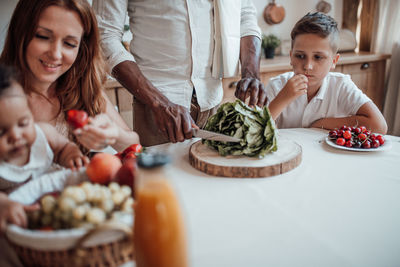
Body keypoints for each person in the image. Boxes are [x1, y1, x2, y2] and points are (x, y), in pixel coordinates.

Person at [92, 0, 267, 146]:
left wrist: (251, 74)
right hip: (157, 113)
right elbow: (104, 37)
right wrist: (160, 103)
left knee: (215, 183)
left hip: (213, 104)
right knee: (162, 185)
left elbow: (245, 17)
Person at [0, 0, 140, 154]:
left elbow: (134, 147)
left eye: (69, 43)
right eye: (43, 36)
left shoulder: (84, 89)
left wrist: (114, 134)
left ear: (81, 48)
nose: (55, 54)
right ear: (20, 33)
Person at [0, 64, 88, 267]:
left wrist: (71, 155)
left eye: (23, 123)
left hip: (58, 209)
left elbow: (63, 147)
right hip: (19, 227)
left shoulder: (44, 133)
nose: (16, 136)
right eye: (0, 132)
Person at [266, 12, 387, 134]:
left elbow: (379, 126)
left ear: (334, 61)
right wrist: (282, 99)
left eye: (318, 57)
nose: (308, 66)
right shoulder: (276, 86)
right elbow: (255, 133)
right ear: (291, 57)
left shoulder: (341, 86)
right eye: (300, 56)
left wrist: (321, 124)